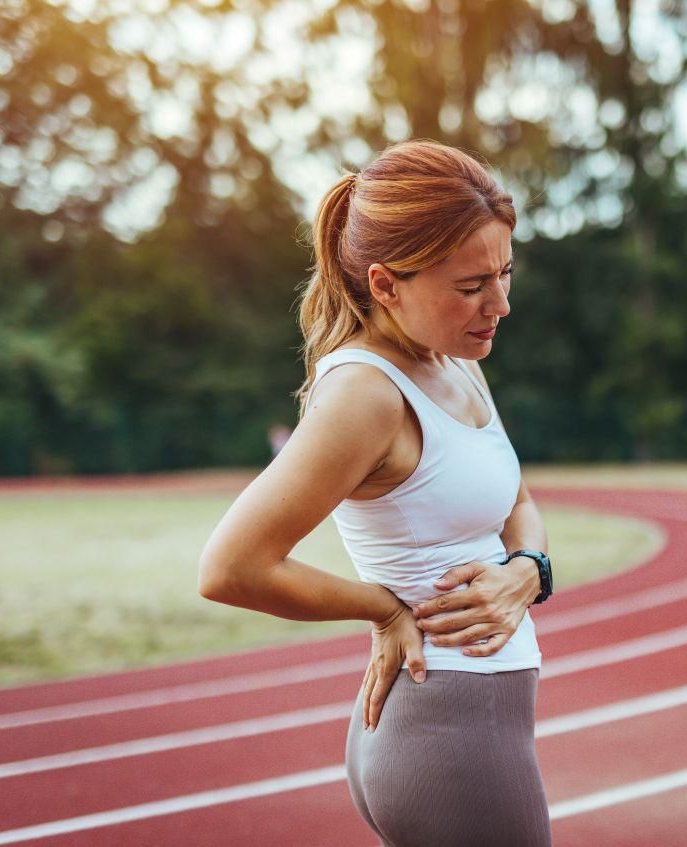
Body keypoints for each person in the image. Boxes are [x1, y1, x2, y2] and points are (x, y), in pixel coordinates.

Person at [199, 139, 554, 847]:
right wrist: (384, 607)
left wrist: (527, 571)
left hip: (459, 731)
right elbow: (231, 566)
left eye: (505, 273)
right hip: (450, 736)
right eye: (471, 285)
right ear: (385, 284)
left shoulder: (454, 359)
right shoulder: (366, 391)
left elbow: (517, 502)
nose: (501, 303)